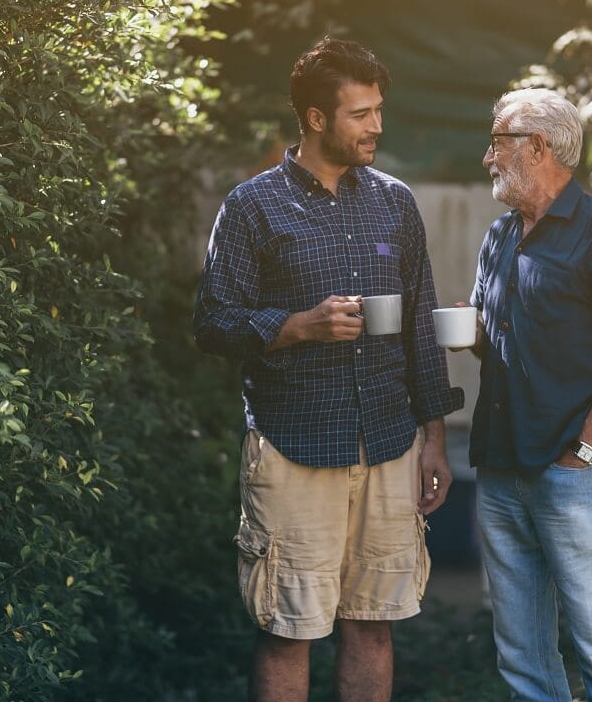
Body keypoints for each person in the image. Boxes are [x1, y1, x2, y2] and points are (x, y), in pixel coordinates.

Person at [194, 36, 461, 702]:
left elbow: (420, 331)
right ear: (316, 118)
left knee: (373, 626)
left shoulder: (395, 203)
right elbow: (212, 323)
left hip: (388, 444)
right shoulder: (253, 206)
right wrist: (294, 327)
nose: (376, 125)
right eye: (359, 113)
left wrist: (435, 439)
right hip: (293, 446)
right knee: (289, 629)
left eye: (377, 110)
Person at [466, 88, 592, 701]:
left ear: (538, 147)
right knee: (523, 661)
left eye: (497, 141)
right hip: (498, 470)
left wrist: (586, 452)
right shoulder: (498, 237)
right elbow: (497, 338)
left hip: (571, 473)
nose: (488, 157)